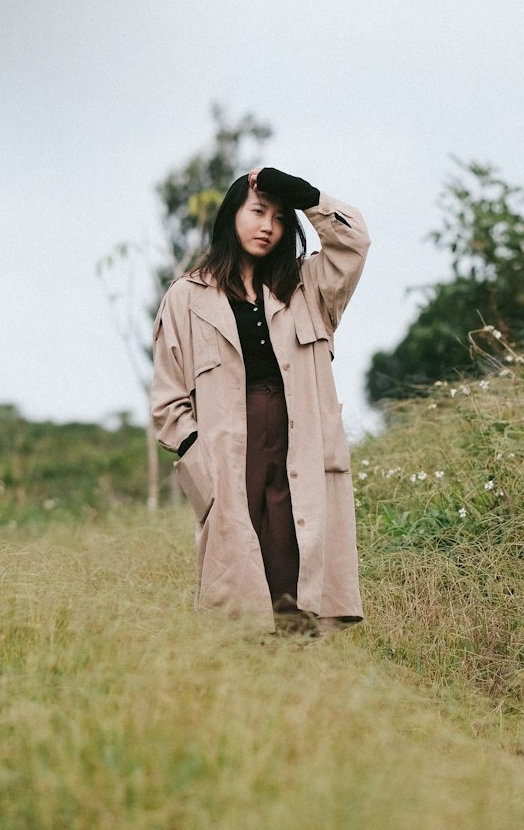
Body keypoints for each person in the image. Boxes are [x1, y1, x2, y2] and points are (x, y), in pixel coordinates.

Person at [151, 165, 369, 633]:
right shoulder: (186, 298)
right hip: (228, 447)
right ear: (232, 215)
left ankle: (299, 671)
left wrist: (304, 194)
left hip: (302, 440)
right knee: (239, 574)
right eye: (257, 211)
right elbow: (167, 400)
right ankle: (245, 680)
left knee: (296, 553)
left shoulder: (310, 288)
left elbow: (353, 245)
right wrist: (196, 452)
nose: (268, 225)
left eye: (279, 217)